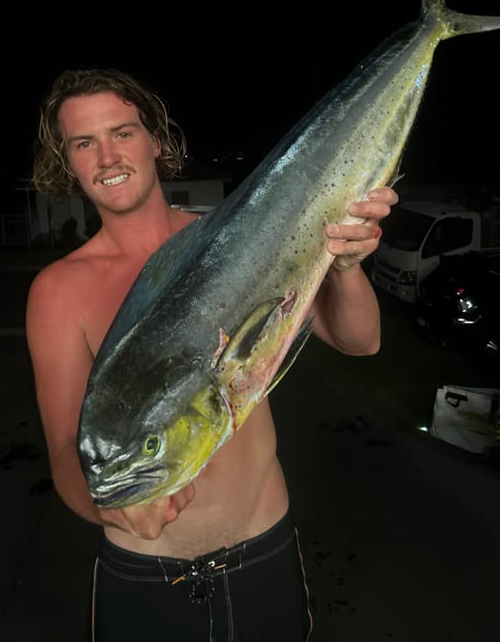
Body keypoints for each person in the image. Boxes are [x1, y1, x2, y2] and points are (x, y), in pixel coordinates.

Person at [26, 67, 399, 641]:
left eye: (122, 132)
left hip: (264, 560)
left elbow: (360, 340)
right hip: (144, 582)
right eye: (84, 143)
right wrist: (110, 507)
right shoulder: (58, 291)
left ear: (155, 139)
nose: (107, 156)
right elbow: (61, 450)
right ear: (68, 161)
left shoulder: (238, 241)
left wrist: (345, 269)